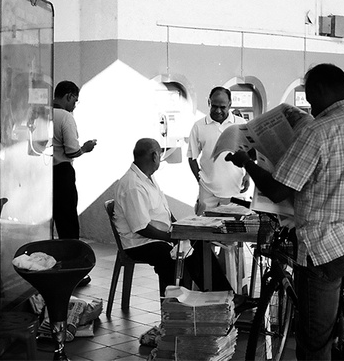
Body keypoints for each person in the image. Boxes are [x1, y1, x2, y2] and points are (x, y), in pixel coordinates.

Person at [226, 64, 344, 360]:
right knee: (327, 310)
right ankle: (339, 333)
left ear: (321, 91)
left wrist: (248, 163)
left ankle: (327, 338)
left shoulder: (318, 130)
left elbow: (276, 190)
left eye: (310, 97)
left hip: (327, 244)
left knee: (313, 343)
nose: (310, 105)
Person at [113, 138, 238, 297]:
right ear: (154, 156)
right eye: (159, 155)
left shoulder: (147, 177)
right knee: (170, 255)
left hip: (158, 236)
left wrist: (179, 227)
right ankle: (176, 306)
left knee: (198, 242)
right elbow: (142, 228)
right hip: (140, 243)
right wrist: (171, 237)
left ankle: (222, 295)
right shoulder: (133, 185)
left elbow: (163, 210)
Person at [52, 81, 97, 285]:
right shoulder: (65, 117)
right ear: (69, 96)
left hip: (43, 173)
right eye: (75, 101)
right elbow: (71, 150)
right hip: (62, 173)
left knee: (52, 222)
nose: (74, 105)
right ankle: (74, 272)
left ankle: (53, 266)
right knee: (68, 223)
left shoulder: (41, 114)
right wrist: (86, 148)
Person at [187, 86, 250, 216]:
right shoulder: (199, 126)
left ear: (230, 105)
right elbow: (191, 157)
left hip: (234, 188)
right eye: (214, 106)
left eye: (223, 107)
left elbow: (250, 153)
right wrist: (200, 179)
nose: (218, 111)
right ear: (209, 103)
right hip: (207, 191)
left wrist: (248, 175)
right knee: (205, 230)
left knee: (233, 231)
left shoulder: (241, 124)